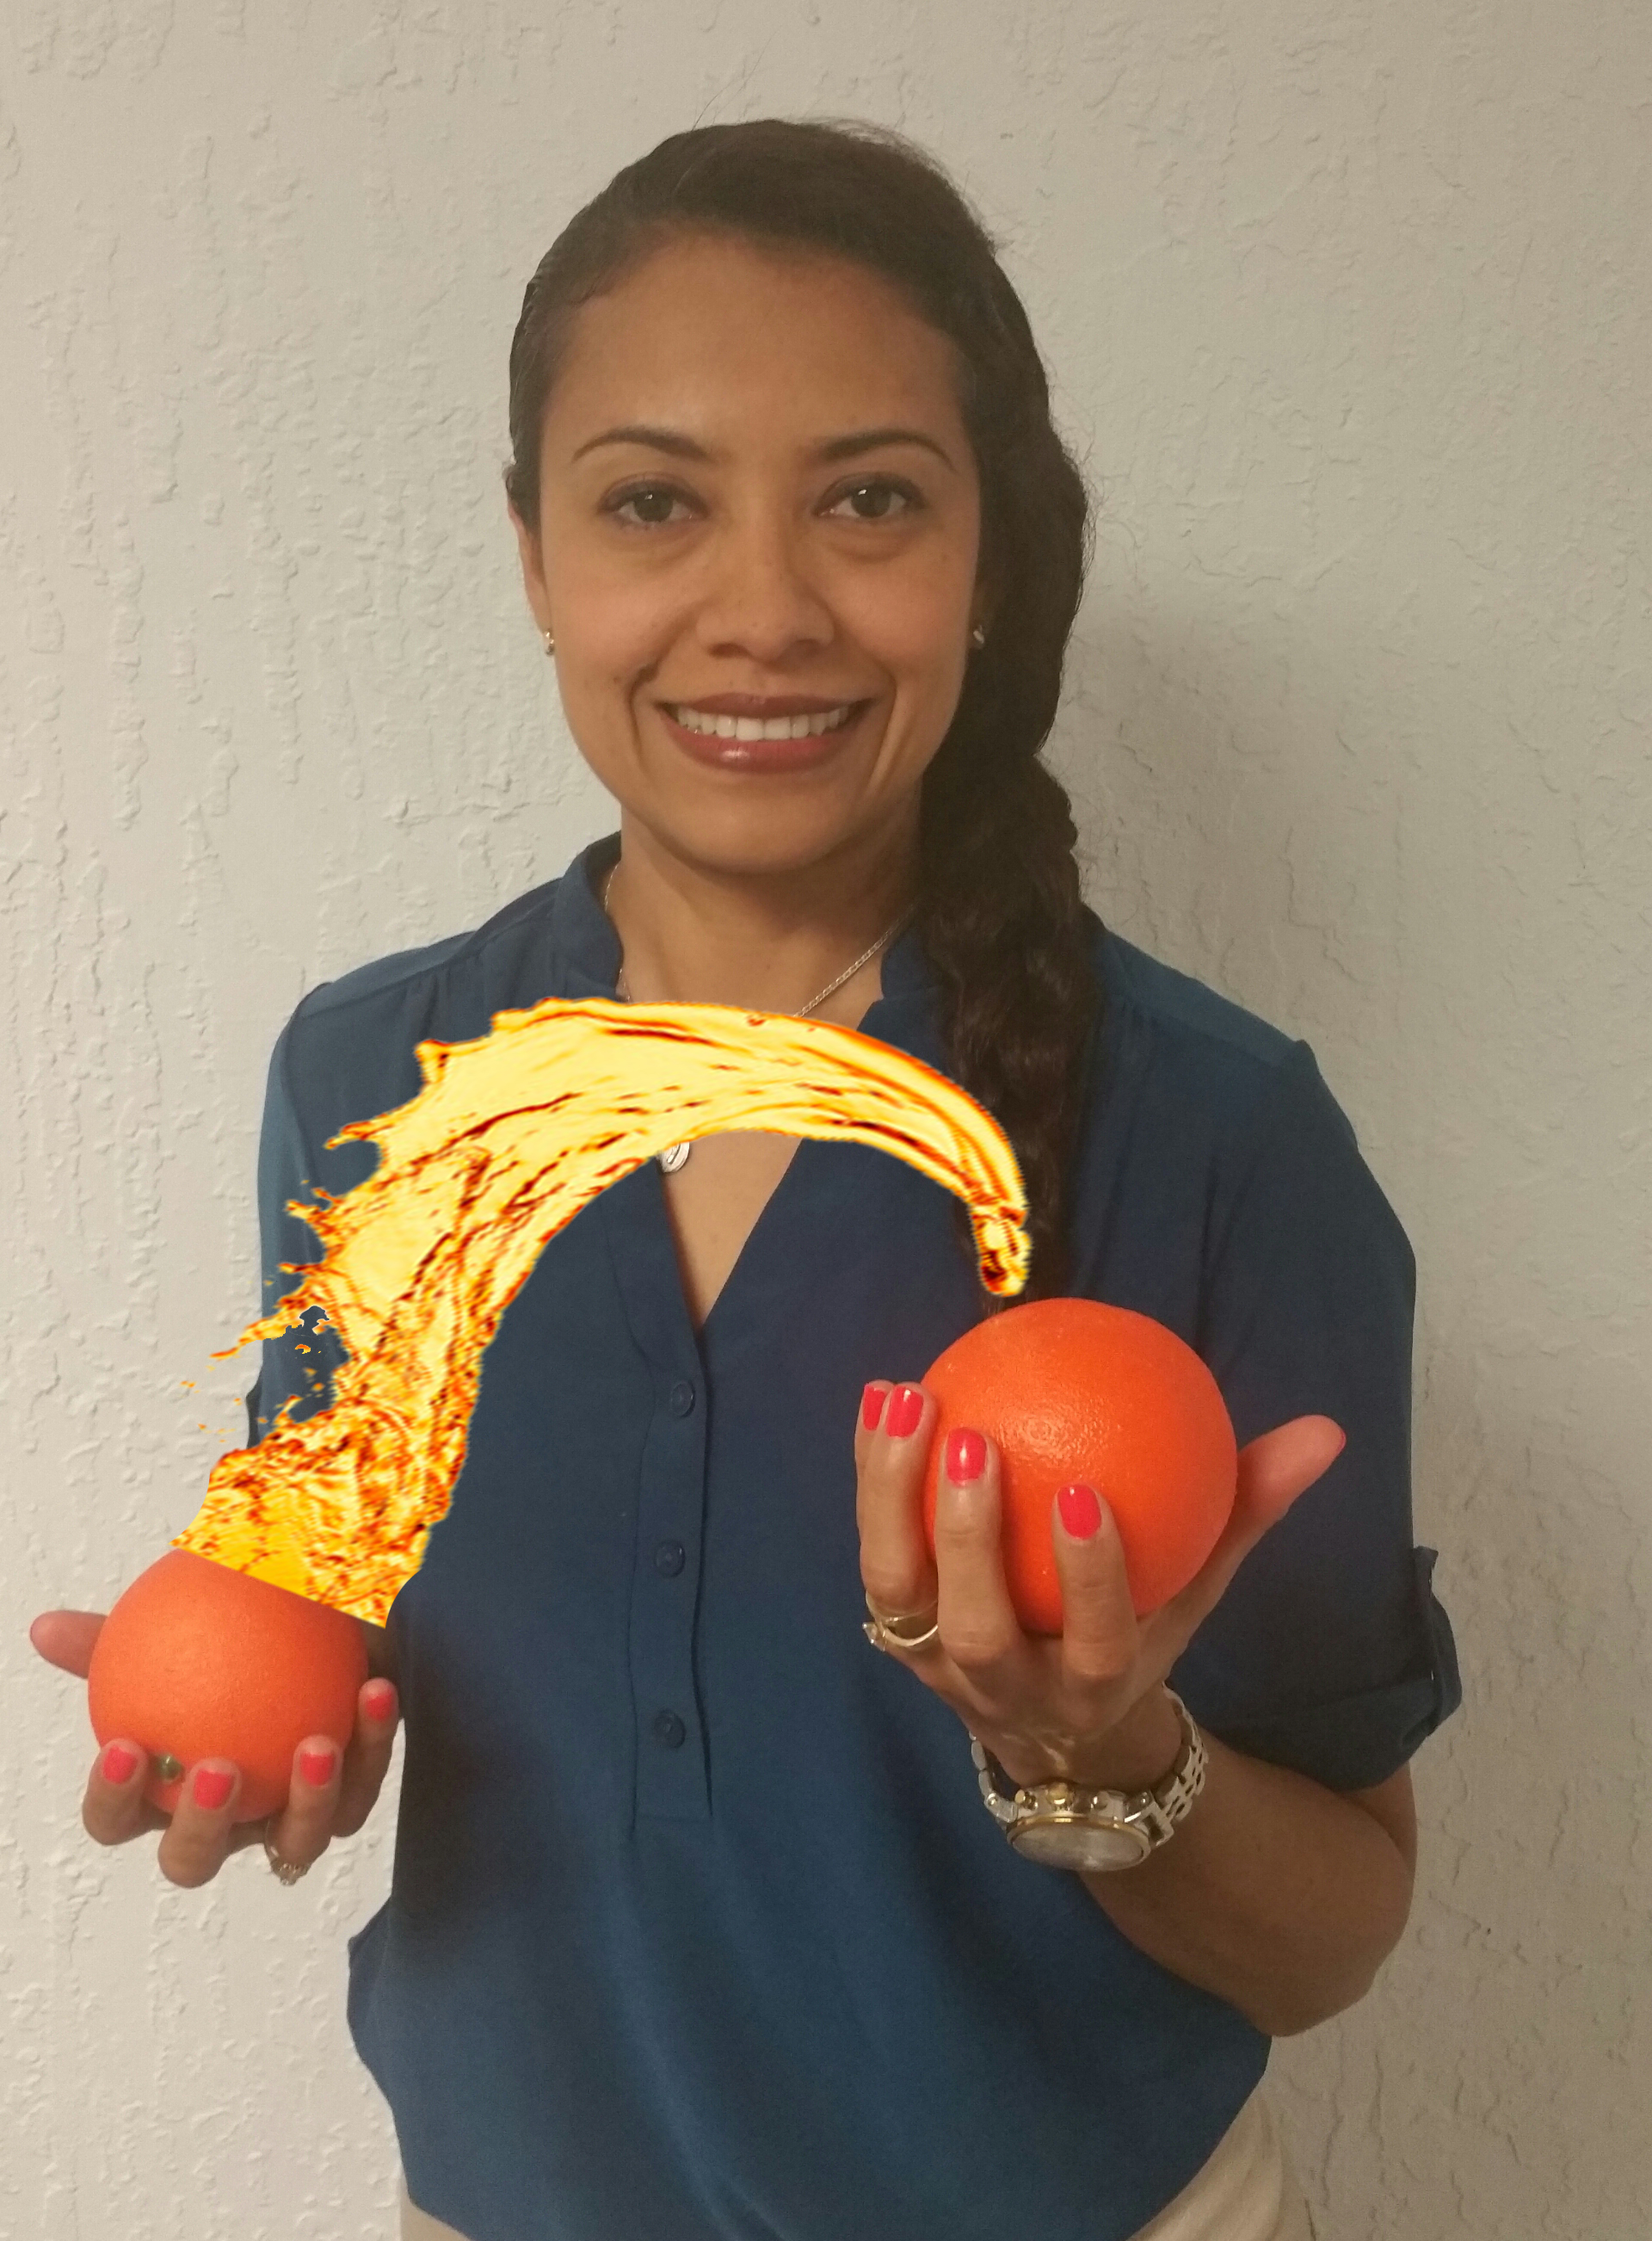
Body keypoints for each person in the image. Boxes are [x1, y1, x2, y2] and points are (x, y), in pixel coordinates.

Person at [31, 118, 1460, 2241]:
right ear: (536, 556)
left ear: (990, 560)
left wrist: (1099, 1755)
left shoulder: (1223, 1136)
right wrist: (260, 1752)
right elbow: (330, 1617)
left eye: (869, 500)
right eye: (653, 503)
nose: (765, 611)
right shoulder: (366, 1086)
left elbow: (1331, 1939)